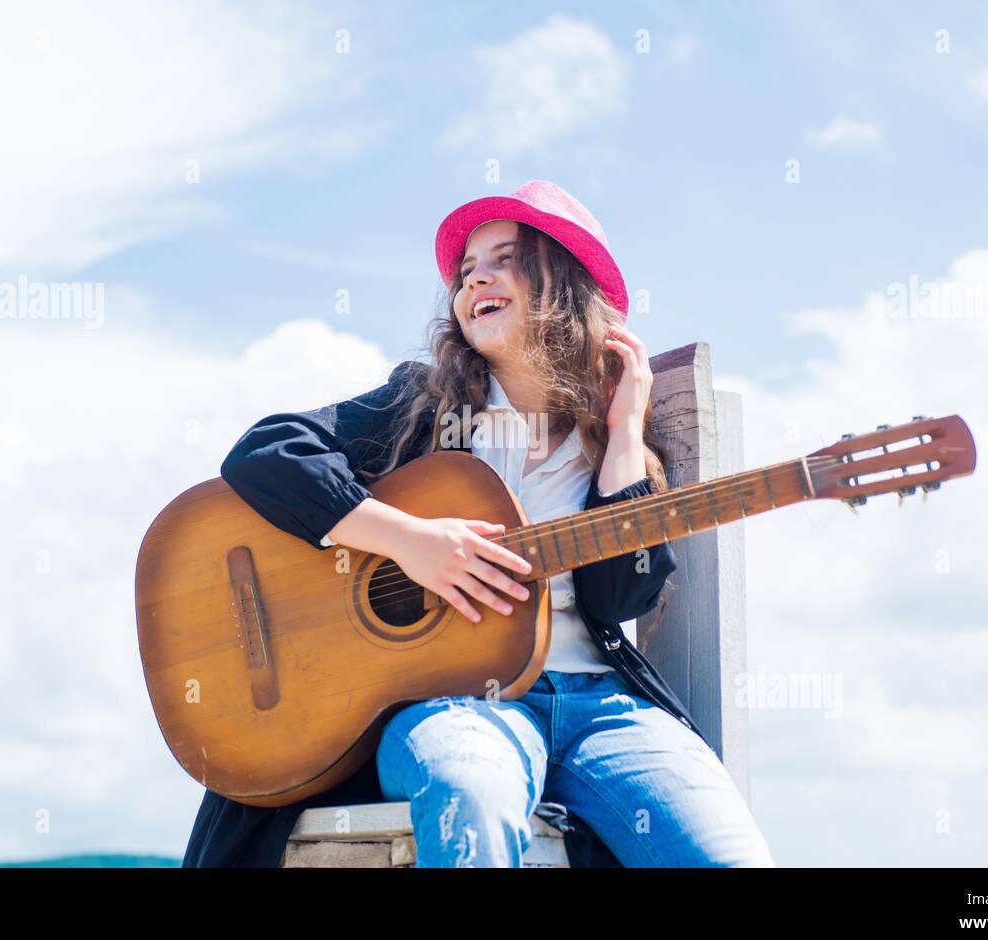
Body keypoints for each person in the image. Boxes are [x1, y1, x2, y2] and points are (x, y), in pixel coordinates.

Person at [182, 179, 774, 868]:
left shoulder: (613, 437)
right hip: (462, 707)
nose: (476, 279)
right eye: (466, 271)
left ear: (567, 282)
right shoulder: (422, 407)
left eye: (505, 258)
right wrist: (410, 542)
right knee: (470, 796)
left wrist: (622, 435)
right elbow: (266, 453)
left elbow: (622, 598)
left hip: (605, 712)